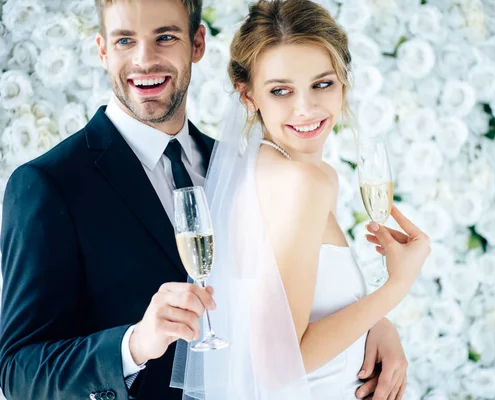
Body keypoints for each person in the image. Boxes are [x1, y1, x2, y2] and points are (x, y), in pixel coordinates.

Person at [0, 0, 409, 399]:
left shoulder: (235, 166)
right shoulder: (47, 184)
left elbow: (272, 304)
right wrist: (133, 345)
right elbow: (18, 372)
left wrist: (374, 325)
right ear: (103, 49)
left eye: (165, 37)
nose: (145, 60)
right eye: (125, 40)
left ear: (197, 43)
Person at [172, 1, 430, 399]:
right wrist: (395, 288)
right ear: (248, 96)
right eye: (280, 91)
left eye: (322, 84)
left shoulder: (263, 169)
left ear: (343, 82)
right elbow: (276, 365)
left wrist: (377, 324)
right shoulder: (302, 183)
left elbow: (298, 314)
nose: (305, 108)